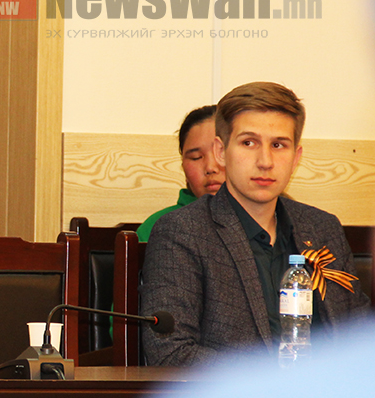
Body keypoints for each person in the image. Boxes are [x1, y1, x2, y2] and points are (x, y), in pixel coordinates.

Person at [139, 82, 370, 366]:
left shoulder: (322, 228)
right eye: (249, 143)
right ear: (221, 151)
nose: (265, 161)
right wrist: (270, 384)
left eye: (278, 145)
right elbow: (170, 352)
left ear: (296, 158)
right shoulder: (183, 232)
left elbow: (360, 340)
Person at [136, 105, 225, 241]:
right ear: (183, 166)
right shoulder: (158, 227)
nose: (210, 168)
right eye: (196, 157)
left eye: (221, 153)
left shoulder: (258, 221)